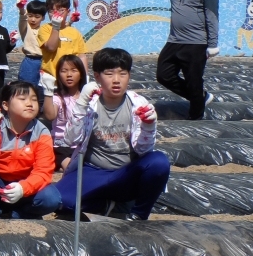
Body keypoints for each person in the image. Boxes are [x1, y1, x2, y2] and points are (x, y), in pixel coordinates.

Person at [55, 48, 171, 220]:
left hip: (125, 174)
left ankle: (139, 214)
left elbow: (144, 149)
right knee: (58, 202)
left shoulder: (138, 104)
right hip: (93, 171)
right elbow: (71, 139)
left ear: (129, 76)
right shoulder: (90, 104)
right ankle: (107, 205)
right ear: (97, 76)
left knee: (159, 162)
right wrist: (81, 104)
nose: (116, 80)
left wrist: (149, 125)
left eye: (122, 74)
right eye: (109, 74)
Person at [0, 81, 62, 219]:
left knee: (52, 198)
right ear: (5, 105)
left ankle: (19, 214)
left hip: (26, 187)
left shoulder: (42, 132)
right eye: (22, 99)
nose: (30, 103)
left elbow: (43, 170)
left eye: (34, 99)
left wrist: (23, 188)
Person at [156, 0, 221, 120]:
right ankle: (200, 97)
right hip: (174, 40)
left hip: (196, 42)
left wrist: (213, 44)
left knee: (194, 81)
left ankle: (195, 118)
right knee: (163, 75)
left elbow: (212, 15)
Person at [41, 54, 87, 170]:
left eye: (73, 70)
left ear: (81, 74)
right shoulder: (58, 98)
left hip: (83, 146)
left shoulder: (88, 98)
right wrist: (48, 91)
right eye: (64, 71)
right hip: (61, 147)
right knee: (73, 169)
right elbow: (50, 115)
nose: (69, 75)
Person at [39, 0, 87, 80]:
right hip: (50, 78)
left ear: (68, 12)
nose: (56, 14)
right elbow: (51, 48)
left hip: (71, 79)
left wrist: (85, 77)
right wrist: (55, 27)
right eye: (52, 11)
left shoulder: (75, 32)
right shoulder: (45, 29)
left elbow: (81, 56)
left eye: (61, 10)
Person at [16, 0, 47, 88]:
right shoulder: (25, 28)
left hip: (45, 62)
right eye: (30, 16)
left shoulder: (46, 30)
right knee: (27, 88)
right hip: (30, 62)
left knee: (43, 89)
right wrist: (21, 8)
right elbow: (22, 18)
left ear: (43, 18)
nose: (33, 19)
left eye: (37, 17)